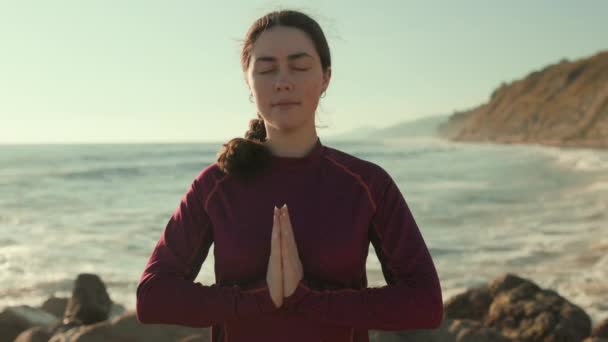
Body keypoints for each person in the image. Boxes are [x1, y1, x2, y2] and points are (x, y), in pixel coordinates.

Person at [136, 9, 443, 342]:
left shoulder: (367, 185)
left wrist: (307, 298)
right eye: (267, 68)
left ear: (325, 78)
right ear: (248, 82)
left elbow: (425, 303)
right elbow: (153, 297)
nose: (283, 81)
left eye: (299, 66)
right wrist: (263, 298)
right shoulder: (216, 186)